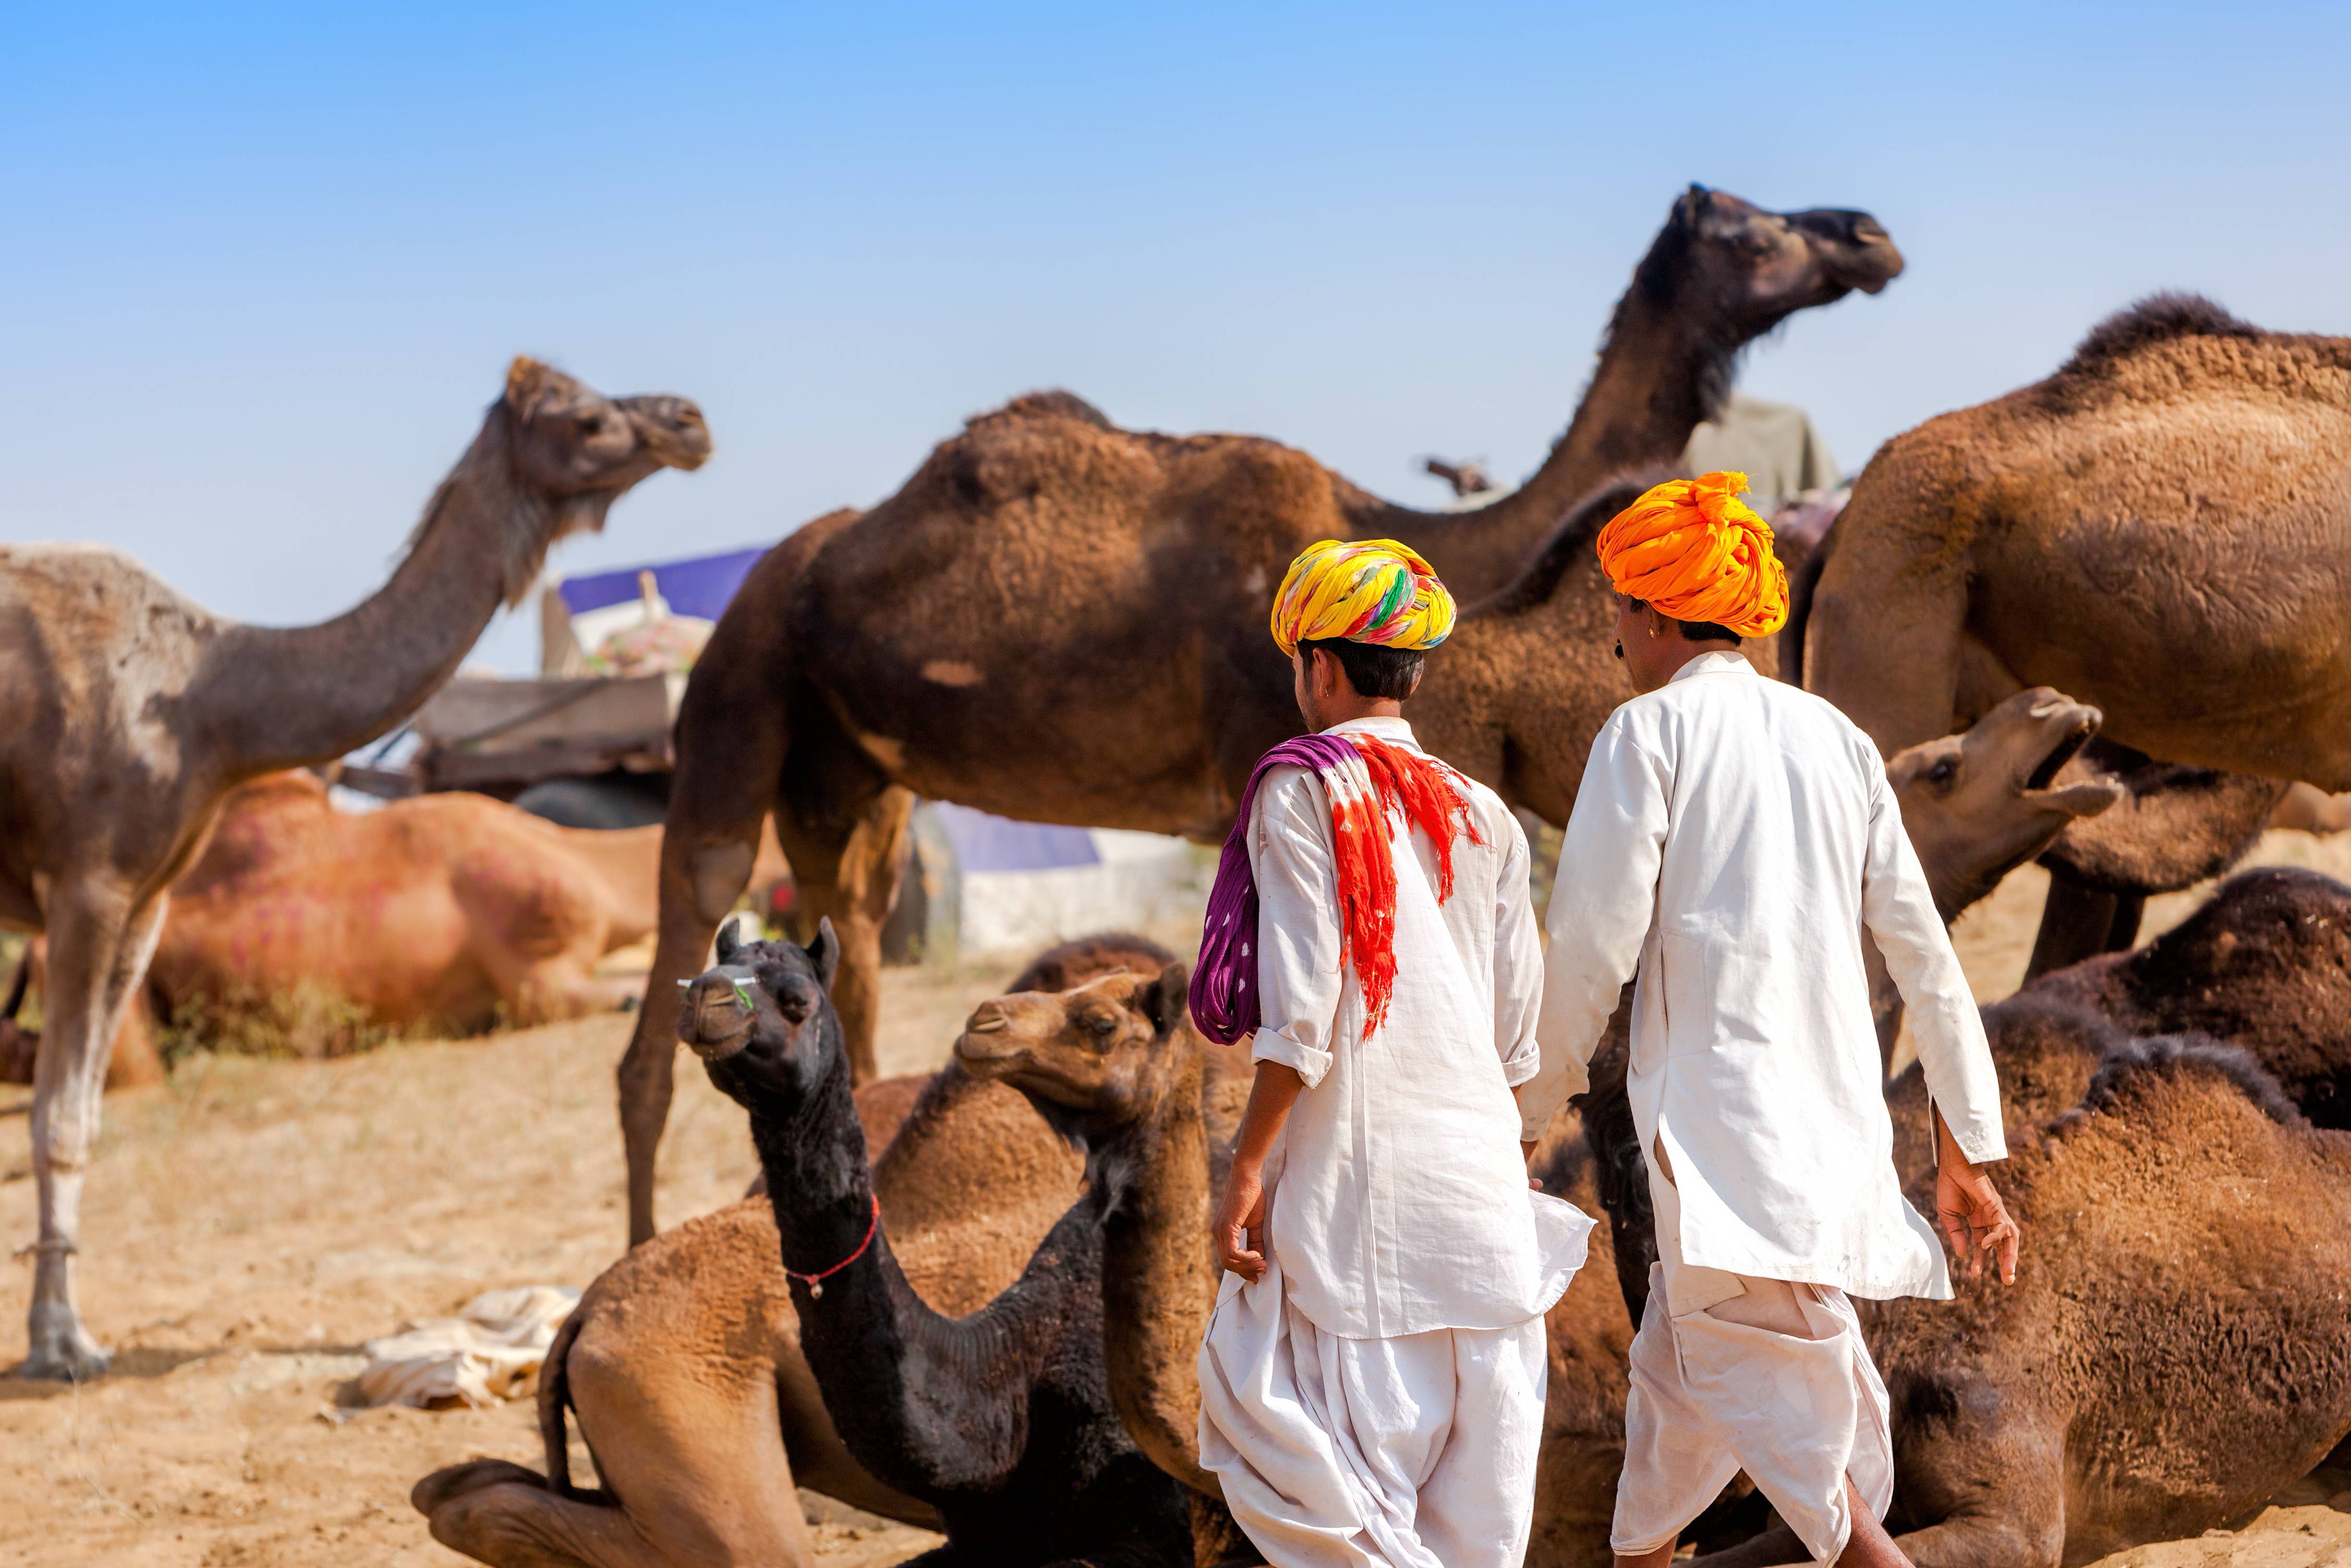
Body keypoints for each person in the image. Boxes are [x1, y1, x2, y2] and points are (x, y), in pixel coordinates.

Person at [1527, 472, 2020, 1568]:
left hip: (1718, 1156)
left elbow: (1590, 950)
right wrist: (1963, 1148)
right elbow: (1926, 961)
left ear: (1653, 614)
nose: (1613, 633)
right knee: (1666, 1438)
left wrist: (1524, 1105)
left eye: (1617, 607)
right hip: (1820, 1141)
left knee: (1824, 1493)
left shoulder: (1644, 734)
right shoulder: (1834, 740)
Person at [1191, 539, 1592, 1568]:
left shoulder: (1301, 790)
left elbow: (1303, 1016)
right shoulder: (1484, 814)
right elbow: (1516, 1045)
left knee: (1337, 1512)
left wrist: (1243, 1166)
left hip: (1358, 1231)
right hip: (1486, 1230)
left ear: (1319, 667)